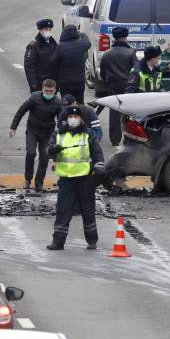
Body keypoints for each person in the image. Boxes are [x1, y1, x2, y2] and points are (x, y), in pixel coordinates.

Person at [46, 106, 105, 251]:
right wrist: (53, 150)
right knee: (63, 210)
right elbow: (49, 150)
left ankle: (92, 240)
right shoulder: (59, 134)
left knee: (87, 210)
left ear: (81, 119)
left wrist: (99, 168)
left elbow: (98, 154)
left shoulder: (88, 134)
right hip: (66, 180)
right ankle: (58, 242)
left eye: (76, 117)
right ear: (66, 119)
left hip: (85, 179)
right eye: (70, 117)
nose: (73, 119)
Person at [9, 79, 63, 192]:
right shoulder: (34, 98)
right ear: (42, 89)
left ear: (55, 91)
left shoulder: (58, 102)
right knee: (31, 153)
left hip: (47, 133)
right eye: (46, 91)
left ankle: (39, 183)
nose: (48, 93)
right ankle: (28, 179)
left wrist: (61, 135)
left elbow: (60, 120)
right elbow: (21, 111)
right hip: (32, 130)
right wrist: (13, 127)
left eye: (51, 91)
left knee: (44, 157)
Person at [98, 27, 137, 145]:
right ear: (125, 38)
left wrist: (107, 82)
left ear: (114, 38)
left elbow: (102, 73)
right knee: (129, 113)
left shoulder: (107, 54)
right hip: (128, 87)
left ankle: (115, 140)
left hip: (113, 86)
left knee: (114, 113)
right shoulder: (131, 53)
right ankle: (128, 138)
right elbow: (136, 71)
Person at [48, 24, 91, 103]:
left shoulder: (60, 47)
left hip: (65, 82)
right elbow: (88, 43)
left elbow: (52, 62)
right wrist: (82, 33)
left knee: (66, 103)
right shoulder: (81, 44)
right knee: (80, 102)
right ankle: (79, 114)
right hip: (79, 81)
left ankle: (66, 114)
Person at [23, 18, 57, 92]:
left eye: (49, 29)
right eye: (45, 29)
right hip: (39, 84)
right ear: (40, 30)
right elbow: (29, 67)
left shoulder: (53, 43)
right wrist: (33, 84)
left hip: (51, 83)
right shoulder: (33, 45)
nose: (47, 31)